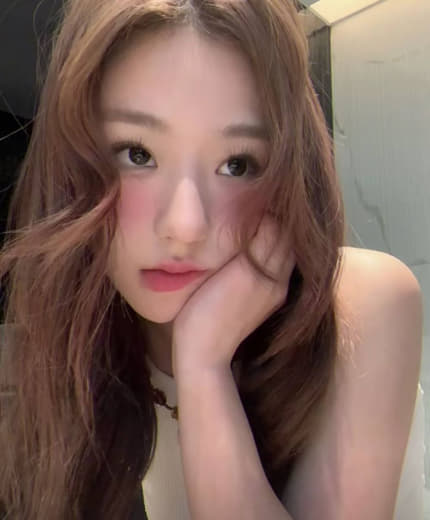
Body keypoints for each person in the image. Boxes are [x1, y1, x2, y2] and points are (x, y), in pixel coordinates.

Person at [0, 0, 423, 519]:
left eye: (237, 164)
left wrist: (203, 368)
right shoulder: (72, 352)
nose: (185, 225)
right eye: (137, 154)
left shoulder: (361, 302)